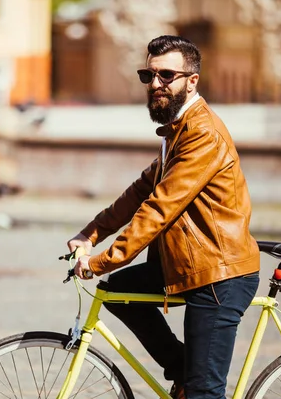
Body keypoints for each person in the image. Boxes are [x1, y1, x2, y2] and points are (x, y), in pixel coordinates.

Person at [66, 35, 260, 399]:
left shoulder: (202, 133)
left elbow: (160, 208)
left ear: (192, 80)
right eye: (149, 75)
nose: (155, 84)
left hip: (219, 274)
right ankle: (185, 369)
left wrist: (102, 261)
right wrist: (91, 233)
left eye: (166, 75)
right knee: (119, 292)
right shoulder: (178, 129)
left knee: (205, 392)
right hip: (188, 263)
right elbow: (142, 189)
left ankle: (195, 378)